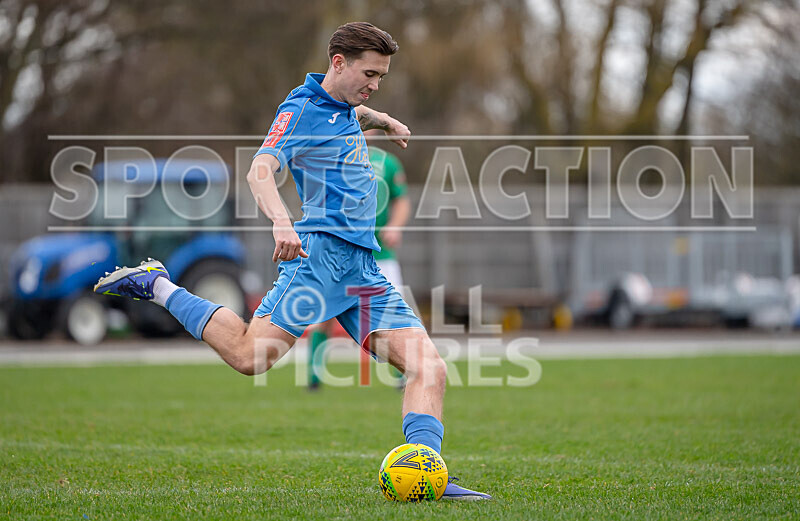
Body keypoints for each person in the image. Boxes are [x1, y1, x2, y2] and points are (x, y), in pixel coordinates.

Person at [93, 22, 490, 500]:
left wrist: (382, 119)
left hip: (362, 268)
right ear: (338, 63)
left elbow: (352, 113)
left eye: (381, 77)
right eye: (369, 74)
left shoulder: (344, 105)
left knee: (429, 367)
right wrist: (282, 221)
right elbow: (260, 169)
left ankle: (427, 474)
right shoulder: (299, 110)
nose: (374, 84)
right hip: (318, 259)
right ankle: (158, 285)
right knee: (249, 358)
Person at [307, 132, 410, 390]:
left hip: (380, 253)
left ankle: (402, 375)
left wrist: (395, 226)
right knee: (326, 313)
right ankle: (314, 376)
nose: (366, 131)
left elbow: (402, 200)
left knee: (394, 314)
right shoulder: (333, 159)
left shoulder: (387, 162)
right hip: (341, 253)